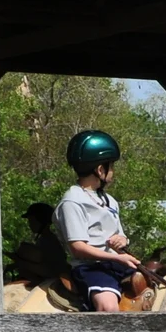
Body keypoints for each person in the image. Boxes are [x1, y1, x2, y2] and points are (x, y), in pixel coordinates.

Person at [59, 130, 142, 313]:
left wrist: (123, 240)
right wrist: (117, 257)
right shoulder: (72, 201)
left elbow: (118, 235)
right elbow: (78, 247)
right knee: (109, 307)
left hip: (116, 263)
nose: (113, 171)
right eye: (111, 166)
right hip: (90, 268)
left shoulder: (109, 200)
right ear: (99, 169)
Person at [14, 202, 70, 287]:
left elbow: (51, 271)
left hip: (51, 283)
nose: (30, 224)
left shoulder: (49, 241)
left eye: (32, 220)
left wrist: (21, 263)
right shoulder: (44, 239)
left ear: (41, 220)